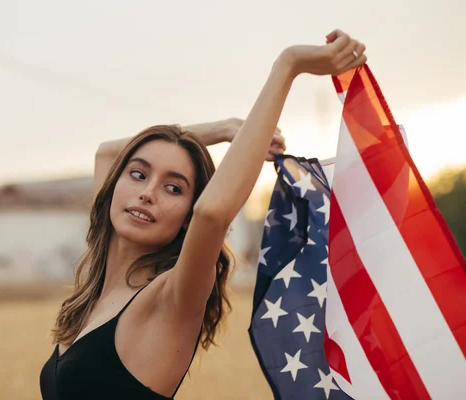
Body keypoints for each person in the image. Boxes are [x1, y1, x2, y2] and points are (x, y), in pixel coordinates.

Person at [39, 29, 367, 400]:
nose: (148, 193)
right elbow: (106, 152)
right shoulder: (98, 292)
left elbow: (212, 213)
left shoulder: (174, 293)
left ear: (186, 219)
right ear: (116, 183)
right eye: (138, 174)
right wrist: (222, 129)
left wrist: (287, 65)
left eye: (174, 188)